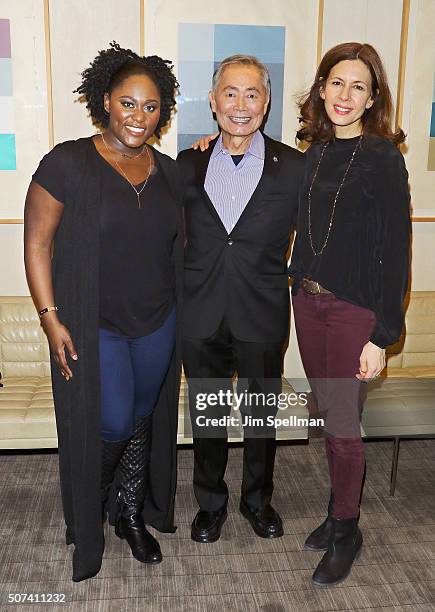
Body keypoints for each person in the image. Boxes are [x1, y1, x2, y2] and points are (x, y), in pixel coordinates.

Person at [24, 42, 183, 582]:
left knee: (139, 419)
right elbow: (37, 246)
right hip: (97, 326)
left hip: (158, 321)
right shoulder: (66, 162)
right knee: (112, 420)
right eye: (128, 103)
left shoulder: (170, 172)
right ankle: (90, 514)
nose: (139, 116)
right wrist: (50, 317)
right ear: (105, 102)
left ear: (163, 112)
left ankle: (129, 513)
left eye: (152, 106)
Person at [289, 42, 410, 586]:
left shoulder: (383, 157)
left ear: (371, 97)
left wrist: (381, 335)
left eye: (358, 86)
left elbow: (397, 249)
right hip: (308, 304)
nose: (345, 95)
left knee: (342, 426)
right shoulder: (311, 154)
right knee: (328, 418)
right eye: (337, 82)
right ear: (321, 88)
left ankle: (347, 529)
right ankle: (338, 509)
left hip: (353, 312)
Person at [177, 55, 305, 544]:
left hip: (262, 313)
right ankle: (210, 503)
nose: (240, 105)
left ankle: (257, 500)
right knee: (206, 416)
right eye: (230, 93)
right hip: (201, 312)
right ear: (212, 102)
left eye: (252, 94)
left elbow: (316, 239)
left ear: (266, 104)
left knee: (259, 419)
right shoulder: (186, 164)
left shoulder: (294, 168)